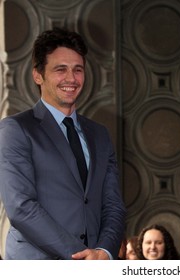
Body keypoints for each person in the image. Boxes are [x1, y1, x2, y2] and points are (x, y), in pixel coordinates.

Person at [0, 28, 126, 259]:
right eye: (61, 69)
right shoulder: (15, 129)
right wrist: (80, 255)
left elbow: (113, 205)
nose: (71, 78)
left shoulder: (100, 134)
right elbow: (21, 206)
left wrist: (104, 252)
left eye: (78, 70)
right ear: (38, 75)